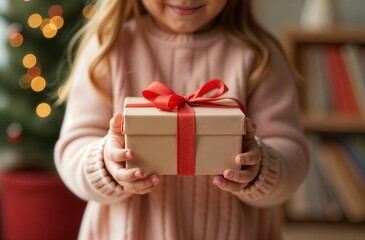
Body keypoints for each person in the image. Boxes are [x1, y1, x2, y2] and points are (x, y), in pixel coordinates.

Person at [55, 0, 309, 239]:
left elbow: (293, 157)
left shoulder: (260, 56)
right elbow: (73, 150)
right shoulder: (108, 46)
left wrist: (260, 169)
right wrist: (105, 165)